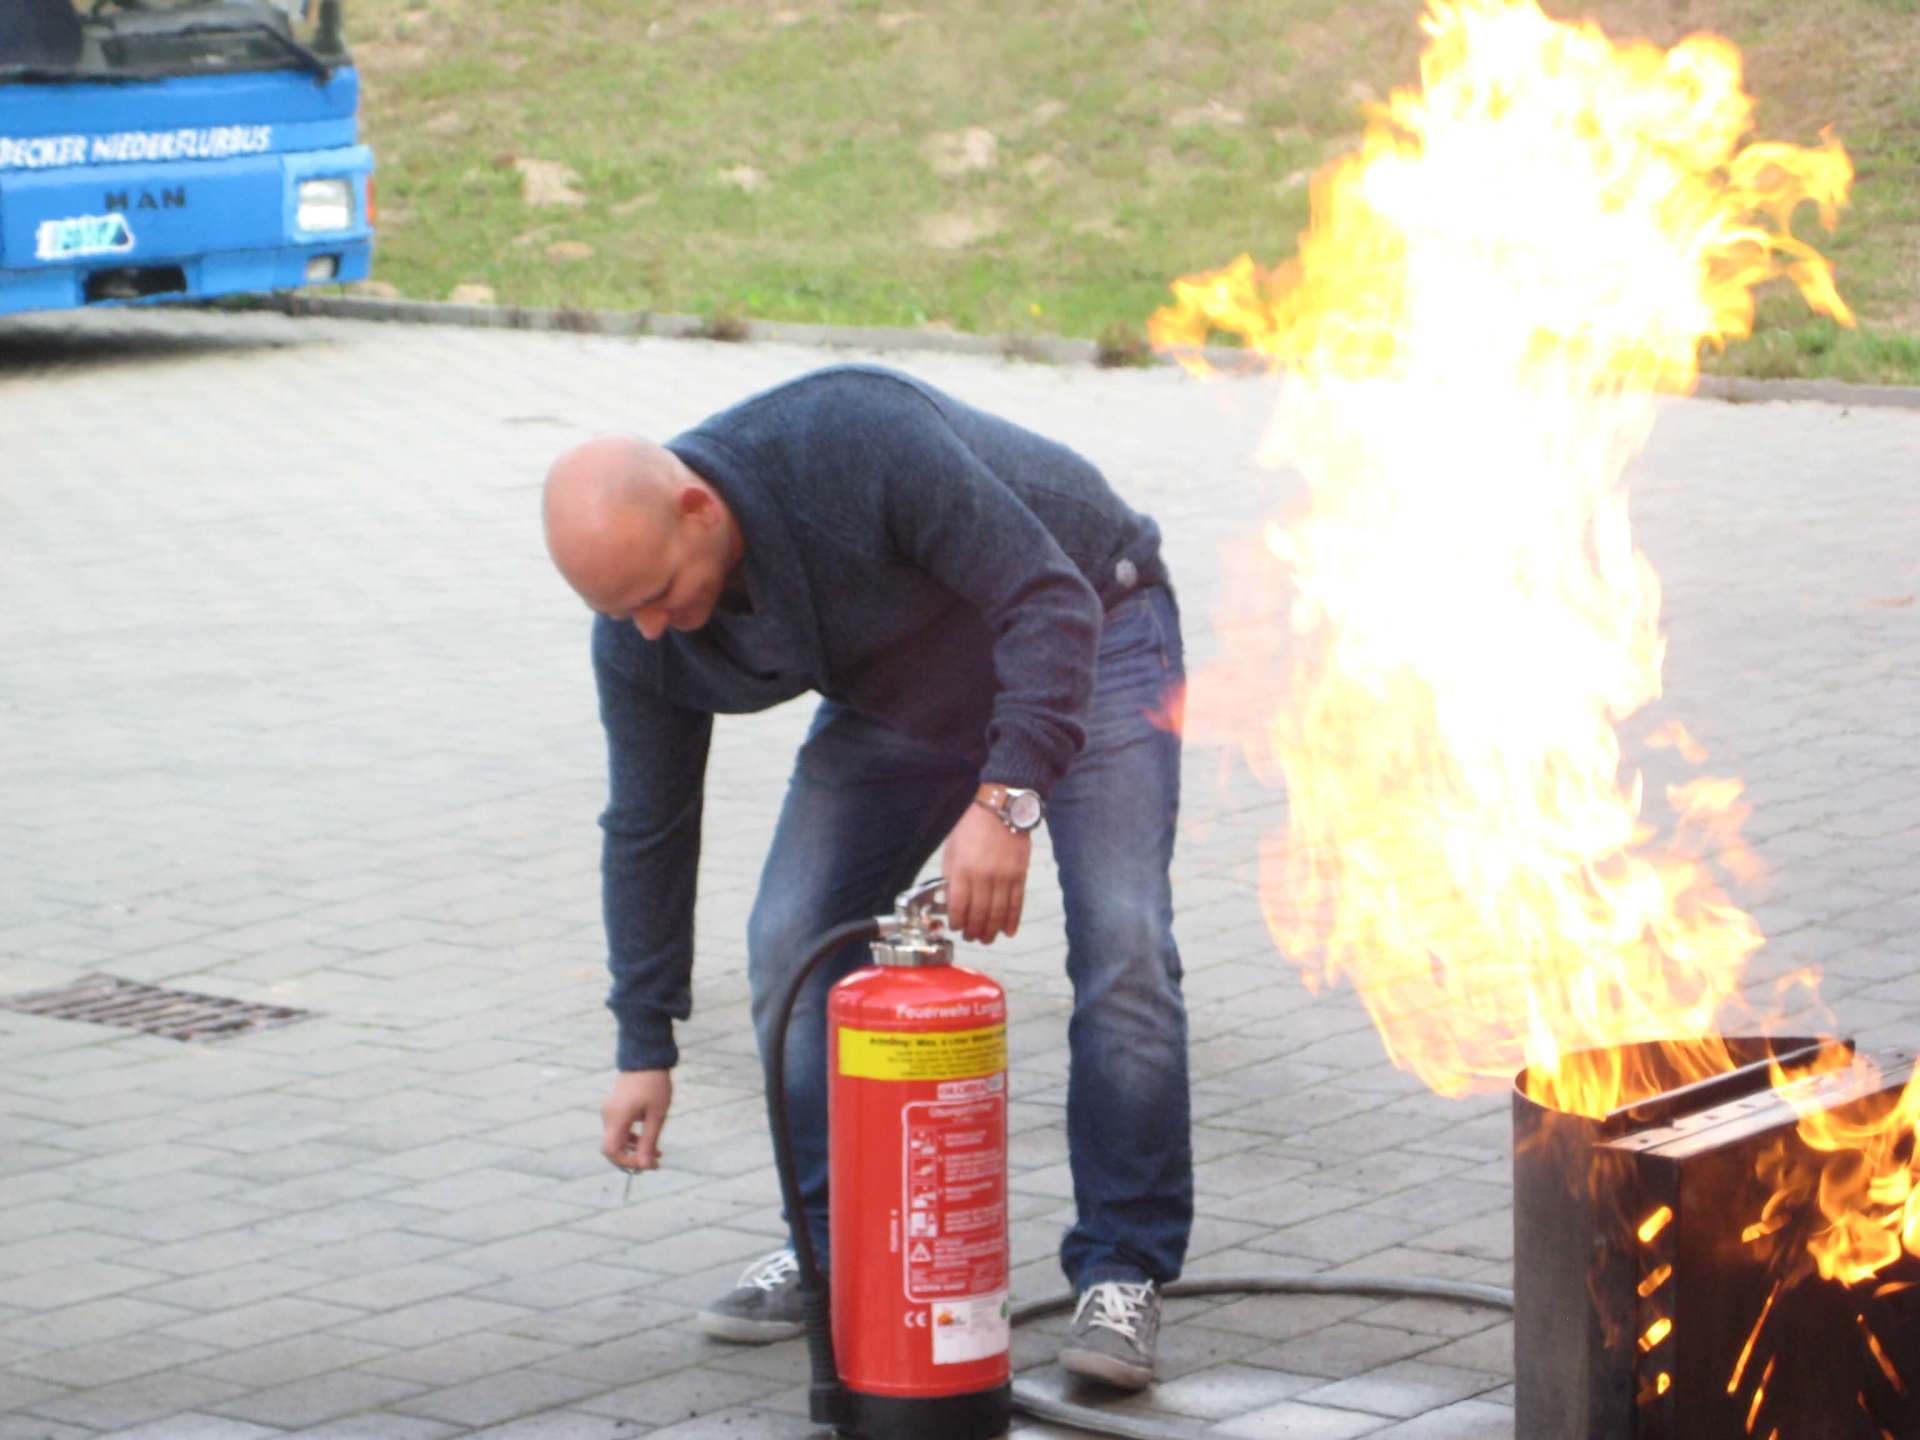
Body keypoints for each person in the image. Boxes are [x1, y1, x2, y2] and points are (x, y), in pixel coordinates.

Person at [542, 364, 1191, 1390]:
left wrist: (1006, 797)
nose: (654, 630)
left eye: (659, 595)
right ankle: (836, 1253)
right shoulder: (638, 634)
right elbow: (649, 830)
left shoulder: (847, 441)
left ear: (698, 509)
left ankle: (1123, 1271)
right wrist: (643, 1040)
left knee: (1123, 943)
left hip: (1092, 621)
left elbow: (1046, 598)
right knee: (792, 935)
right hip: (909, 687)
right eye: (625, 612)